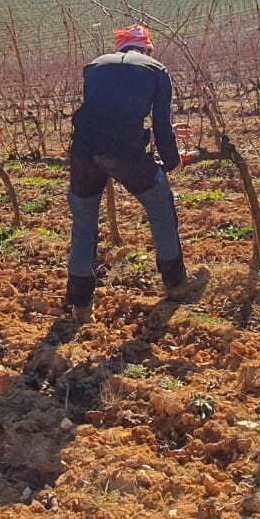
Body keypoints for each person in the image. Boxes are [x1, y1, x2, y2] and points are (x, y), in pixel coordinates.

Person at [66, 24, 205, 323]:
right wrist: (172, 161)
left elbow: (104, 115)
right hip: (125, 154)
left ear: (121, 48)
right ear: (147, 49)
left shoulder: (95, 67)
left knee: (84, 222)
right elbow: (160, 124)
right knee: (160, 205)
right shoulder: (157, 70)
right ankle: (176, 281)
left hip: (83, 152)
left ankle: (80, 304)